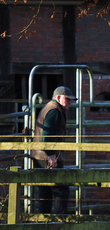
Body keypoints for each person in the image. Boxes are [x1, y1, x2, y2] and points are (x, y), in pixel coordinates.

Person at [31, 86, 77, 215]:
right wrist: (51, 155)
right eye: (67, 99)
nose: (69, 102)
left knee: (45, 192)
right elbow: (47, 134)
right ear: (58, 98)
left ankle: (44, 226)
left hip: (39, 155)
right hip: (48, 157)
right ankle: (58, 226)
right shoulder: (54, 110)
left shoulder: (48, 107)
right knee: (61, 190)